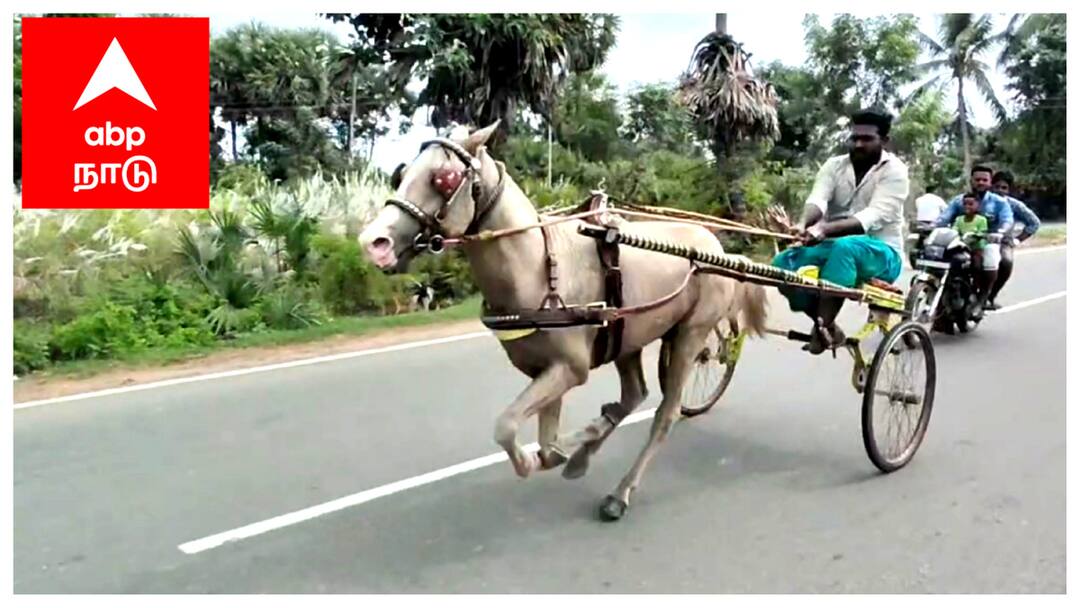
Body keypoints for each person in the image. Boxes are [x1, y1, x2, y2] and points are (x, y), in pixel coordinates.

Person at [772, 108, 907, 354]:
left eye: (867, 139)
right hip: (833, 245)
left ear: (884, 141)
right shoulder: (833, 165)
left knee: (846, 247)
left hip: (882, 253)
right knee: (782, 263)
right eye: (854, 138)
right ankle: (827, 326)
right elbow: (818, 199)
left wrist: (824, 229)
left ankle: (822, 327)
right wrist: (803, 224)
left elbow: (873, 215)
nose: (858, 144)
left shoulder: (895, 172)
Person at [935, 165, 1014, 317]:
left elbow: (1007, 220)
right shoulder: (959, 200)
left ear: (990, 182)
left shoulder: (999, 202)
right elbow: (944, 218)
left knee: (994, 258)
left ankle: (982, 299)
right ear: (971, 180)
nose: (981, 182)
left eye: (984, 180)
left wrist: (1000, 232)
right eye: (977, 179)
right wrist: (932, 226)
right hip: (961, 241)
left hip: (988, 242)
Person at [987, 170, 1041, 309]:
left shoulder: (1014, 205)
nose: (999, 190)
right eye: (997, 186)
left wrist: (1016, 240)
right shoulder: (981, 200)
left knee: (1006, 262)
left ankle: (991, 296)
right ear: (991, 186)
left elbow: (1034, 223)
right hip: (979, 239)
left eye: (1004, 188)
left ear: (1009, 190)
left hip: (1003, 242)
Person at [952, 193, 989, 312]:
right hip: (961, 248)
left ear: (977, 205)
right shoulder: (959, 219)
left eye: (971, 204)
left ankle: (974, 288)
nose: (967, 206)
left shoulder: (981, 220)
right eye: (965, 204)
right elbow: (954, 230)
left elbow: (983, 232)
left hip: (975, 249)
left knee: (977, 266)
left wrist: (976, 236)